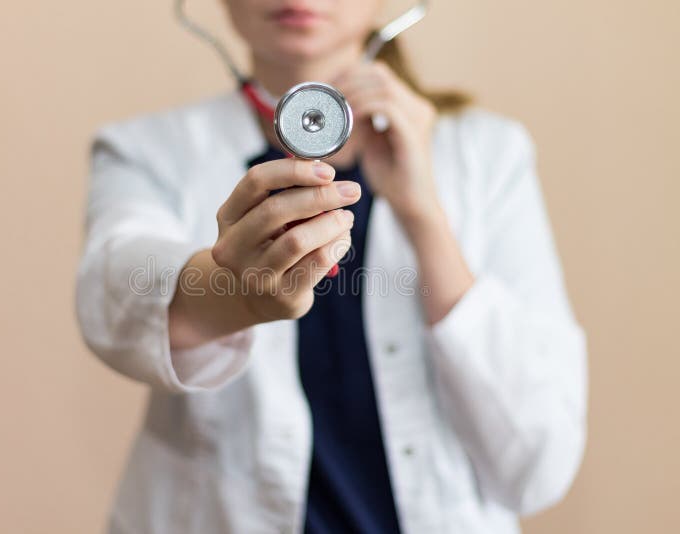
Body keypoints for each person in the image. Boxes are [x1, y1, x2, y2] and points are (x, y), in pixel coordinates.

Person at [75, 1, 588, 532]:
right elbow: (115, 294)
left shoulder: (488, 152)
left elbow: (538, 464)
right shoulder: (146, 151)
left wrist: (426, 217)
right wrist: (240, 295)